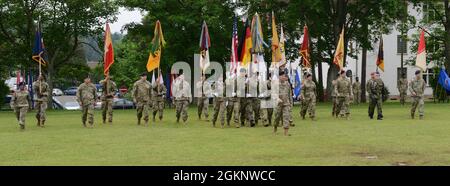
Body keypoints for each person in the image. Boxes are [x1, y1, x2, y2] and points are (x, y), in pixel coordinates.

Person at [274, 69, 291, 136]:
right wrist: (277, 99)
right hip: (278, 104)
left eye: (284, 76)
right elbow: (274, 93)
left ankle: (286, 132)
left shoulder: (287, 84)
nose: (284, 77)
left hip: (286, 103)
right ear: (279, 77)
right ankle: (275, 127)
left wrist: (290, 103)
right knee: (277, 118)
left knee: (286, 117)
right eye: (282, 76)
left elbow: (289, 94)